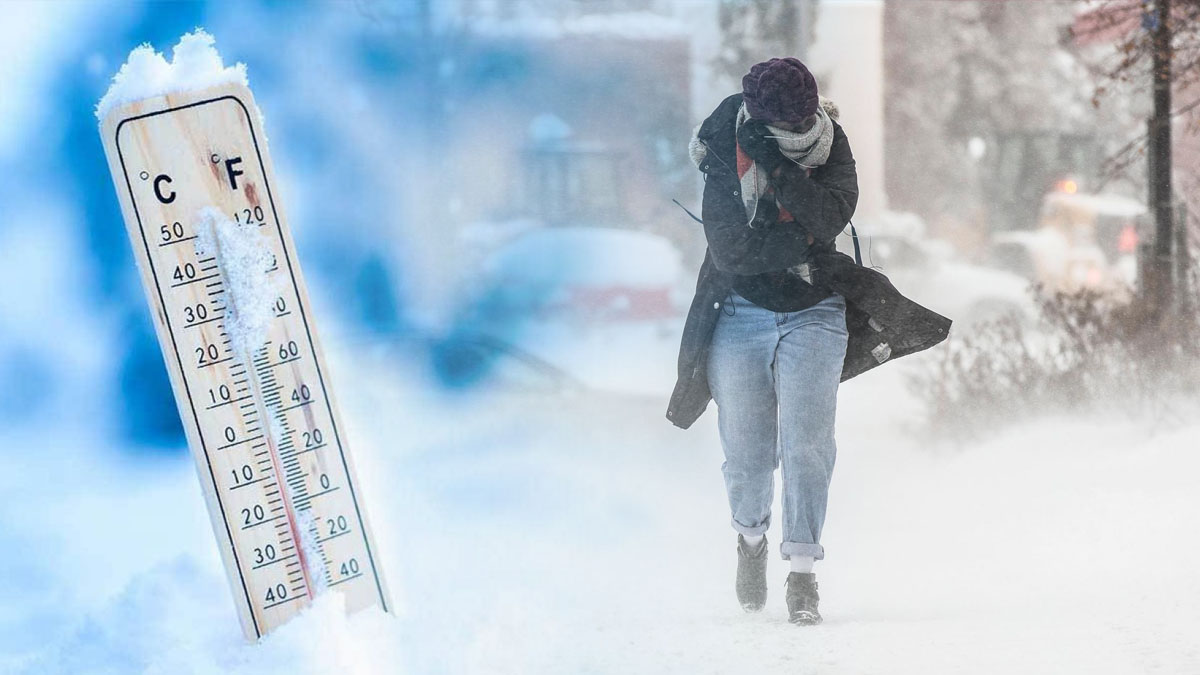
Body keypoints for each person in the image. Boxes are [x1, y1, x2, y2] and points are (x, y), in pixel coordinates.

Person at [668, 57, 951, 625]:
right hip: (739, 311)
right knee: (748, 457)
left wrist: (773, 163)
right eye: (785, 129)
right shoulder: (725, 142)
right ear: (759, 114)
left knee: (808, 445)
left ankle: (802, 573)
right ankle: (750, 541)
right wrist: (803, 241)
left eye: (804, 122)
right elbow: (731, 253)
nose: (799, 133)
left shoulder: (831, 141)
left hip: (817, 311)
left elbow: (827, 217)